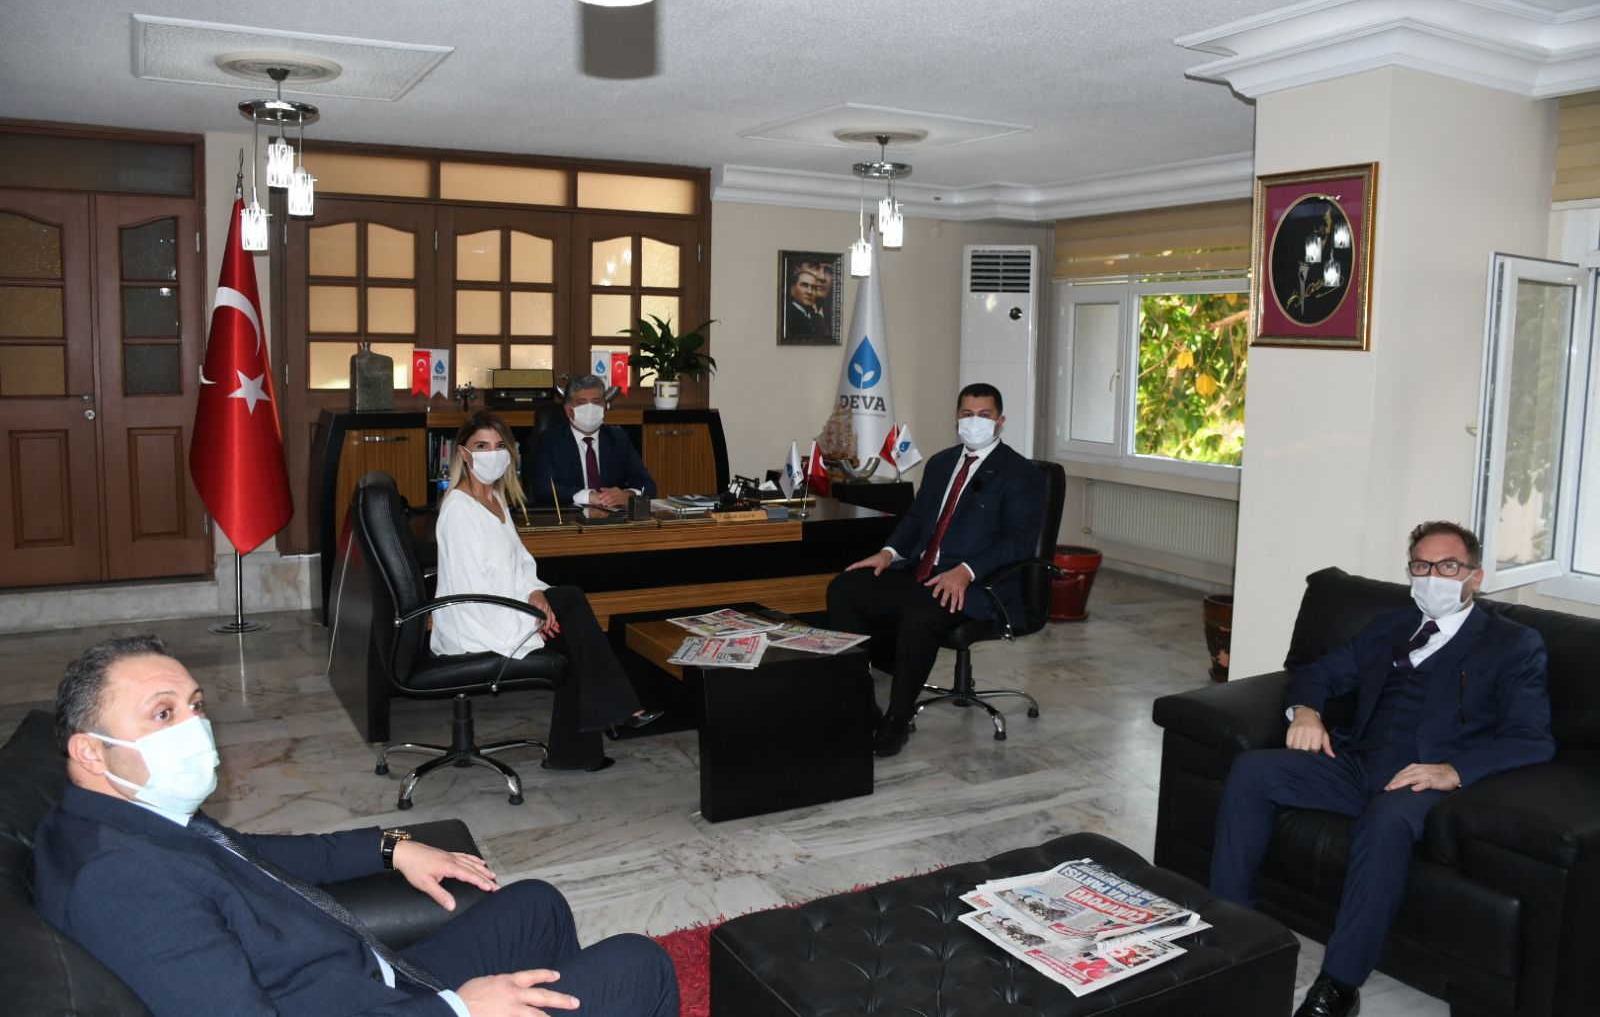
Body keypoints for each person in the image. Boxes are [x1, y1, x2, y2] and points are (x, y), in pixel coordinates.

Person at [33, 635, 679, 1017]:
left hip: (369, 982)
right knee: (639, 963)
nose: (194, 727)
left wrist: (391, 845)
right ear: (91, 751)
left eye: (194, 705)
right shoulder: (123, 884)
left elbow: (262, 856)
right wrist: (460, 1010)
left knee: (536, 904)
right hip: (371, 1005)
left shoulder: (134, 818)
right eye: (163, 713)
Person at [1209, 520, 1554, 1017]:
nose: (1433, 577)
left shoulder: (1511, 644)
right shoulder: (1389, 626)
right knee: (1252, 770)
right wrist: (1305, 712)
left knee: (1385, 821)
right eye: (1422, 566)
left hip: (1423, 780)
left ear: (1475, 577)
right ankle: (1232, 935)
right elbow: (1317, 673)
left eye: (1448, 566)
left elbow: (1531, 737)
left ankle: (1339, 984)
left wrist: (1453, 770)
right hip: (1357, 763)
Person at [825, 382, 1044, 757]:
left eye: (984, 415)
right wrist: (888, 553)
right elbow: (916, 519)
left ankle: (897, 718)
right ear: (956, 418)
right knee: (845, 588)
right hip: (921, 571)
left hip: (976, 585)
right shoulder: (942, 463)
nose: (974, 421)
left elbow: (1020, 541)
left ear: (1000, 421)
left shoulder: (1019, 473)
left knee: (919, 612)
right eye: (967, 414)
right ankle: (861, 702)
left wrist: (967, 570)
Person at [434, 410, 660, 771]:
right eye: (481, 446)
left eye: (499, 446)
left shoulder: (496, 500)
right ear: (463, 453)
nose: (492, 454)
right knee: (571, 611)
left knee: (571, 616)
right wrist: (530, 611)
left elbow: (521, 564)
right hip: (477, 619)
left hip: (506, 606)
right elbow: (472, 587)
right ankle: (616, 715)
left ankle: (581, 749)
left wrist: (536, 595)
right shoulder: (459, 510)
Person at [527, 375, 656, 510]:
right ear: (568, 410)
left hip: (612, 515)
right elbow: (543, 489)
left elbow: (647, 484)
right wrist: (587, 496)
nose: (590, 408)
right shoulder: (548, 442)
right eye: (582, 403)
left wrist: (628, 495)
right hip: (569, 516)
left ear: (604, 406)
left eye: (596, 402)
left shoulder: (618, 439)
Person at [784, 263, 823, 341]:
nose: (810, 292)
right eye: (804, 285)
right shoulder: (787, 317)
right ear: (792, 290)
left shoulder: (817, 319)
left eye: (813, 288)